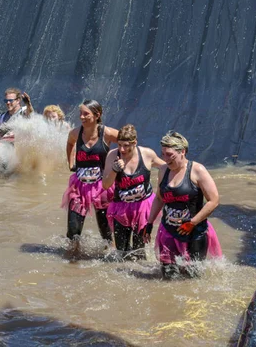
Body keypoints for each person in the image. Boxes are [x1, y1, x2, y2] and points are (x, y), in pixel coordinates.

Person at [143, 131, 222, 279]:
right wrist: (149, 223)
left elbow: (214, 200)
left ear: (182, 152)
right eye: (163, 154)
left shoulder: (197, 170)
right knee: (167, 277)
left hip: (195, 232)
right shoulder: (163, 170)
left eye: (169, 155)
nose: (165, 159)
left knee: (192, 279)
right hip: (168, 231)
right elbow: (159, 198)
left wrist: (192, 223)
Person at [61, 100, 118, 258]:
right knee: (73, 229)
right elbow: (70, 143)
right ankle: (73, 257)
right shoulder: (75, 133)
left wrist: (118, 166)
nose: (81, 117)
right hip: (79, 186)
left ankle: (111, 255)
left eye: (86, 113)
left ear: (97, 115)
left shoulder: (107, 133)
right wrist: (70, 162)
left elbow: (127, 142)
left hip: (102, 187)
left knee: (105, 230)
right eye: (80, 113)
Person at [102, 124, 165, 260]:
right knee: (121, 252)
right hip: (121, 207)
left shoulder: (147, 154)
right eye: (119, 145)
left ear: (135, 143)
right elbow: (106, 185)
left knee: (139, 251)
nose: (122, 149)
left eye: (126, 145)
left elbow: (166, 168)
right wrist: (114, 170)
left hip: (142, 207)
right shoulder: (113, 155)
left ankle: (140, 278)